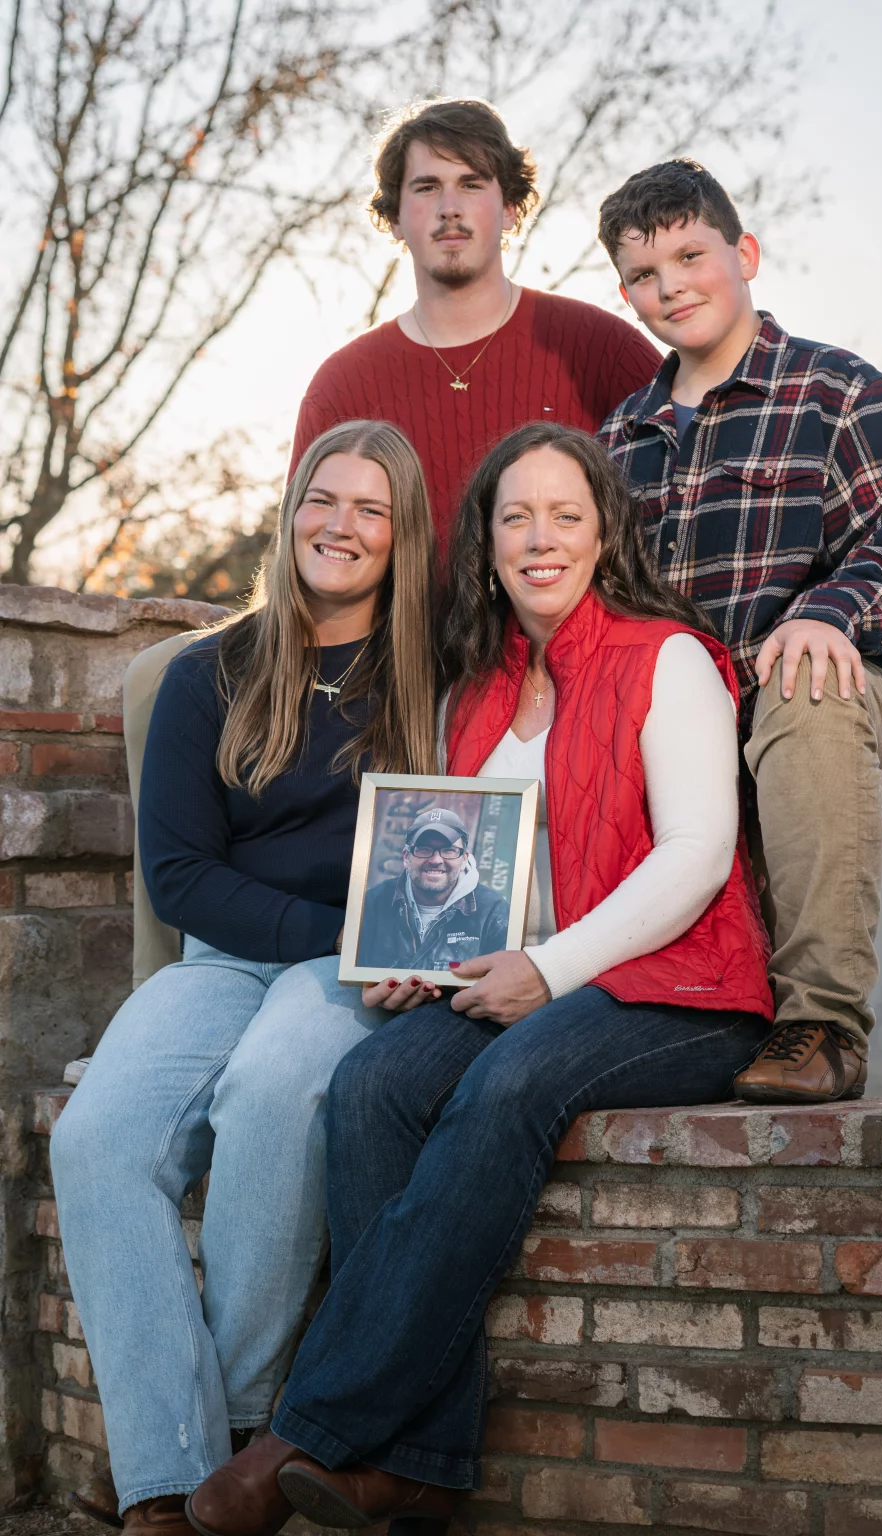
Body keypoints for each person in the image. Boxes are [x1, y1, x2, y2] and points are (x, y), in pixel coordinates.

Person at [183, 422, 774, 1536]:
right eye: (515, 517)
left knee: (505, 1088)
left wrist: (547, 971)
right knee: (374, 1083)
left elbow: (695, 858)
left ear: (605, 531)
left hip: (677, 986)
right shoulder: (477, 684)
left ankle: (310, 1428)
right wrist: (419, 960)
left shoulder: (668, 658)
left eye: (564, 514)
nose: (539, 538)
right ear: (486, 543)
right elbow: (457, 865)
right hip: (518, 977)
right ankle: (415, 1464)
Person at [49, 421, 438, 1536]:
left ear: (401, 533)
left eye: (371, 508)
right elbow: (178, 875)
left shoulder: (433, 672)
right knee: (96, 1141)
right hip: (225, 958)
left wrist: (378, 953)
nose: (342, 525)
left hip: (362, 975)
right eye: (325, 499)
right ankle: (174, 1479)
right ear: (292, 511)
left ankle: (211, 1461)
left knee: (275, 1089)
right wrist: (325, 931)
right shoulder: (207, 672)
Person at [595, 159, 882, 1104]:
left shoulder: (840, 390)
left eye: (690, 254)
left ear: (744, 253)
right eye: (644, 274)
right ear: (626, 294)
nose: (671, 285)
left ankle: (824, 1026)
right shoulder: (615, 441)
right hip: (694, 733)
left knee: (805, 688)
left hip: (852, 706)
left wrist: (825, 613)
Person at [288, 98, 660, 552]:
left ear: (510, 209)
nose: (449, 207)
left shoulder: (603, 350)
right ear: (395, 218)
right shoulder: (341, 387)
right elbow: (300, 561)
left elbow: (682, 520)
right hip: (400, 627)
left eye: (470, 183)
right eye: (426, 187)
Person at [357, 808, 511, 969]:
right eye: (424, 849)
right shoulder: (372, 903)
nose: (436, 860)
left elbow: (503, 982)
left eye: (448, 850)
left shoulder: (494, 911)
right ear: (406, 857)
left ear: (464, 859)